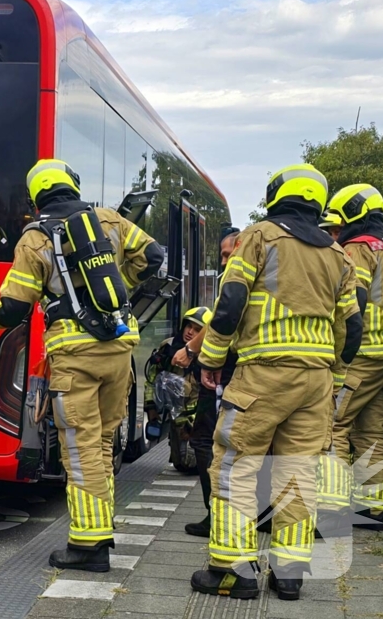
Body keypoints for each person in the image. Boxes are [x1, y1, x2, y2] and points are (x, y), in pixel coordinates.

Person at [188, 164, 363, 602]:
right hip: (316, 381)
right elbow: (352, 329)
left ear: (276, 196)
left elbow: (230, 301)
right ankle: (288, 575)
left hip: (263, 374)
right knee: (298, 474)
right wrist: (336, 377)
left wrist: (212, 358)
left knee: (236, 467)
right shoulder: (338, 255)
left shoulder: (259, 237)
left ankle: (233, 571)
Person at [0, 159, 163, 572]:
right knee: (102, 443)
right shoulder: (108, 219)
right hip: (119, 351)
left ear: (36, 198)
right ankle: (98, 528)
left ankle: (89, 545)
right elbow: (153, 255)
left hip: (74, 356)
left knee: (80, 450)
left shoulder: (34, 238)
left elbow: (14, 307)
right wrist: (118, 289)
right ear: (72, 186)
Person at [323, 184, 383, 531]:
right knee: (372, 430)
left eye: (340, 222)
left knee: (332, 425)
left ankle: (329, 511)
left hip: (362, 354)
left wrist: (339, 353)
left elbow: (353, 303)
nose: (339, 230)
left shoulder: (358, 248)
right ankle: (372, 511)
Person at [173, 229, 240, 538]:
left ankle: (216, 515)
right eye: (222, 256)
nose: (224, 262)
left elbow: (220, 321)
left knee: (207, 441)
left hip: (227, 371)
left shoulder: (239, 277)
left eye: (227, 254)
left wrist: (194, 353)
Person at [144, 306, 212, 470]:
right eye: (189, 326)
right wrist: (151, 409)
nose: (190, 332)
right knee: (181, 464)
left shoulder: (210, 354)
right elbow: (152, 379)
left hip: (200, 417)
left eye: (197, 330)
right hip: (176, 417)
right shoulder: (168, 347)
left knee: (198, 463)